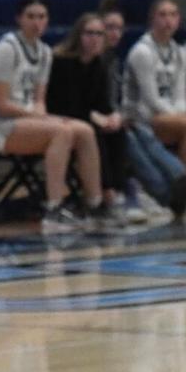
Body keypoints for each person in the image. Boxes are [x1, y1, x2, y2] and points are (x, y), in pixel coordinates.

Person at [0, 0, 108, 233]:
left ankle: (94, 204)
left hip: (26, 121)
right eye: (31, 16)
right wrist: (43, 118)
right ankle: (53, 210)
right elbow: (1, 104)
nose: (37, 22)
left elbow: (39, 101)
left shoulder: (45, 52)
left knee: (84, 130)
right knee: (61, 131)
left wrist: (44, 116)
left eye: (42, 17)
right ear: (19, 19)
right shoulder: (7, 49)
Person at [47, 13, 136, 224]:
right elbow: (62, 104)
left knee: (118, 131)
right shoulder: (62, 62)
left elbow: (102, 102)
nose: (95, 38)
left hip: (85, 118)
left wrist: (113, 117)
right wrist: (96, 118)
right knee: (94, 132)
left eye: (99, 34)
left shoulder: (99, 64)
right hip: (60, 118)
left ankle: (117, 190)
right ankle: (103, 194)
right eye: (89, 33)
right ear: (78, 36)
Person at [124, 0, 186, 201]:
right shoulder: (142, 52)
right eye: (162, 15)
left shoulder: (178, 52)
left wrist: (180, 114)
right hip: (142, 118)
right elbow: (150, 99)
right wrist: (181, 116)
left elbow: (179, 95)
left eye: (173, 15)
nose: (168, 20)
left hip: (169, 114)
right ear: (152, 19)